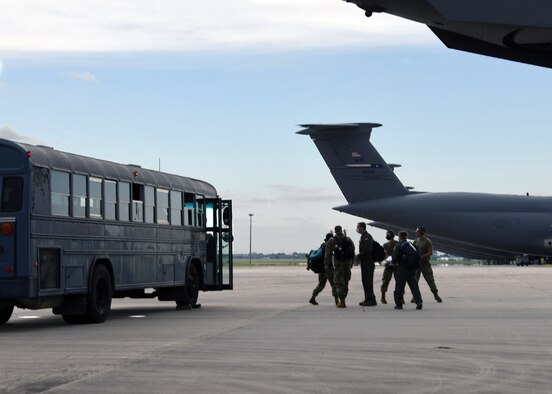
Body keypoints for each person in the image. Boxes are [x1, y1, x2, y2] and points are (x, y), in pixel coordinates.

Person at [324, 225, 354, 308]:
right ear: (341, 230)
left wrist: (326, 264)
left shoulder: (332, 240)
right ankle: (343, 299)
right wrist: (352, 263)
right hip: (348, 263)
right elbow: (353, 251)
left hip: (339, 264)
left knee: (339, 282)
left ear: (335, 231)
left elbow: (328, 253)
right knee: (346, 281)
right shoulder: (348, 239)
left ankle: (342, 301)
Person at [392, 231, 423, 310]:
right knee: (414, 286)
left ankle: (399, 304)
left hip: (402, 269)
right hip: (412, 269)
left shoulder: (398, 246)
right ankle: (419, 302)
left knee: (399, 287)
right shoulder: (412, 245)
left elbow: (394, 259)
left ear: (399, 236)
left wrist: (393, 263)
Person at [413, 226, 442, 303]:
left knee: (430, 280)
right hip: (417, 265)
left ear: (421, 232)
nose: (416, 232)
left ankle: (436, 295)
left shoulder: (427, 241)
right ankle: (415, 296)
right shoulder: (415, 241)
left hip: (425, 264)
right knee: (415, 281)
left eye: (417, 231)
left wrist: (421, 257)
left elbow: (430, 252)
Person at [309, 233, 338, 306]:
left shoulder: (322, 245)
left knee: (321, 285)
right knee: (334, 284)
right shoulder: (329, 245)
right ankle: (337, 300)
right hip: (328, 268)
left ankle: (313, 297)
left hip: (321, 269)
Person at [356, 222, 377, 307]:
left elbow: (367, 251)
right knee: (365, 281)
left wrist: (358, 257)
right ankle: (368, 298)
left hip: (368, 262)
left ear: (361, 227)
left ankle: (371, 300)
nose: (357, 229)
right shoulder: (363, 237)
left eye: (358, 227)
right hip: (364, 262)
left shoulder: (367, 237)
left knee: (368, 281)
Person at [380, 230, 399, 304]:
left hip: (396, 265)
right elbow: (384, 254)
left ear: (391, 235)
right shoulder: (385, 245)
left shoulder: (397, 244)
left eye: (387, 234)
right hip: (388, 265)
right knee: (385, 281)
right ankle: (383, 297)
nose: (386, 235)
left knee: (399, 281)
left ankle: (400, 297)